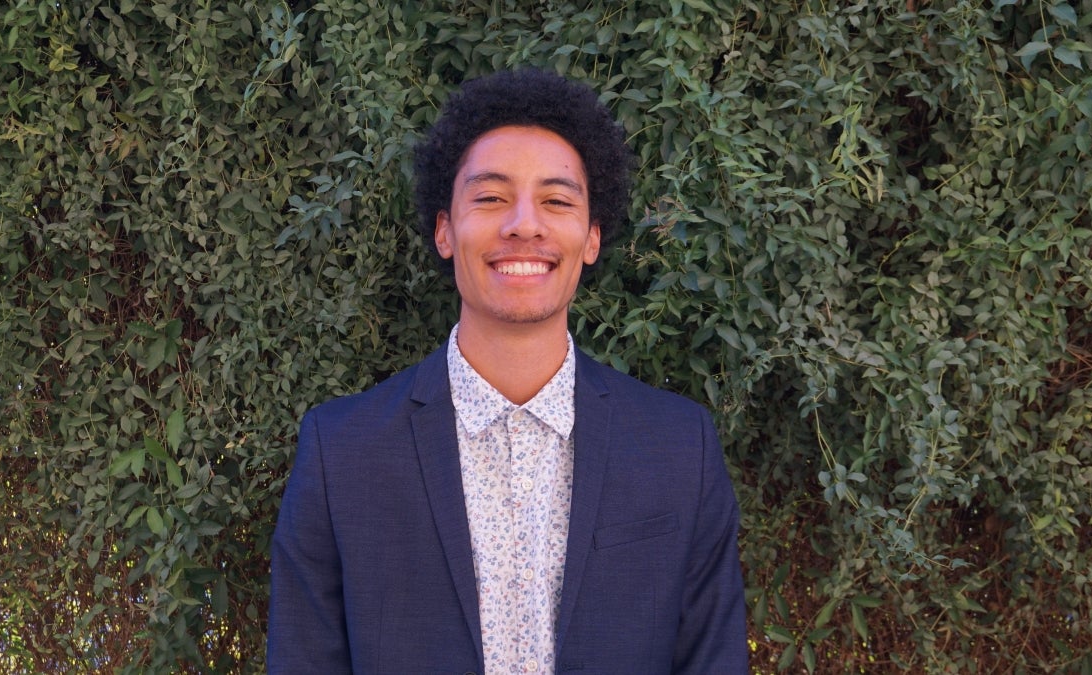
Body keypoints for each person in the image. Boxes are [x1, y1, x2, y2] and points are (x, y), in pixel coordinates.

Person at [267, 68, 748, 673]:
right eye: (491, 197)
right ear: (445, 230)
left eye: (557, 200)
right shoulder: (341, 453)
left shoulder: (681, 448)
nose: (525, 223)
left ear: (592, 236)